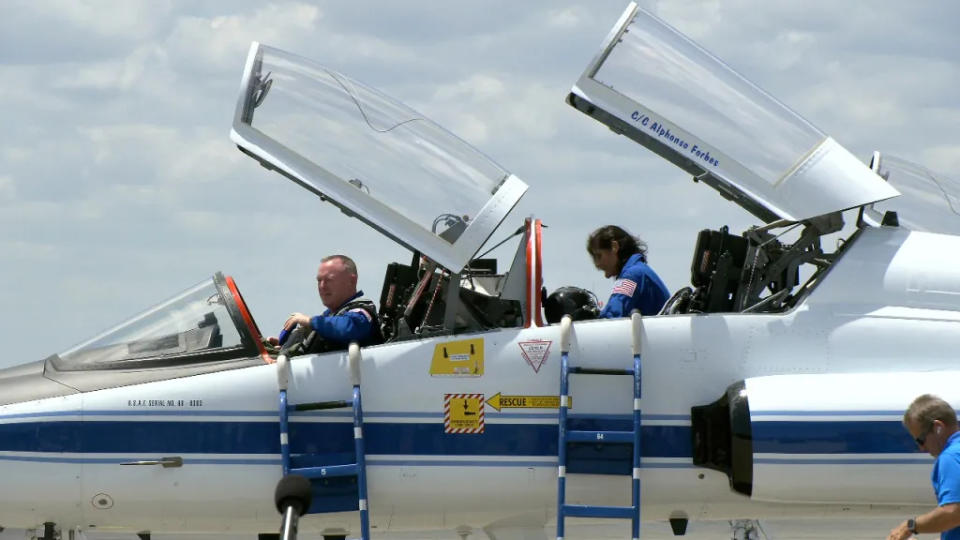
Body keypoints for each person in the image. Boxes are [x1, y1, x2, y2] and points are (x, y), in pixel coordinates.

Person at [275, 255, 383, 353]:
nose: (322, 286)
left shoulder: (361, 312)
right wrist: (285, 344)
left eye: (328, 280)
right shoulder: (329, 317)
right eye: (319, 280)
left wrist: (309, 321)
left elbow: (348, 328)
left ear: (352, 281)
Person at [888, 394, 960, 540]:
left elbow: (953, 513)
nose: (922, 448)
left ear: (938, 427)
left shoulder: (951, 457)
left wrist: (910, 526)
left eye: (921, 440)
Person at [586, 225, 669, 318]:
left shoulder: (632, 275)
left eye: (598, 255)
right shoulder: (639, 271)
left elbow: (613, 315)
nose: (597, 263)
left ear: (614, 247)